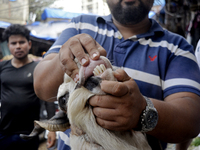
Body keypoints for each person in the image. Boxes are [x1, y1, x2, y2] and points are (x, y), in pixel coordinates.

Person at [33, 0, 200, 149]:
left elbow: (191, 122)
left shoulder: (178, 47)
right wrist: (66, 53)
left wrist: (143, 111)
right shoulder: (79, 25)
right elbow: (42, 88)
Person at [0, 24, 56, 150]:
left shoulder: (38, 69)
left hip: (30, 133)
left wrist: (52, 129)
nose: (18, 46)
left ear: (29, 44)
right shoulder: (2, 67)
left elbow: (48, 100)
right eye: (13, 43)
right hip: (4, 131)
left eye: (21, 42)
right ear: (8, 46)